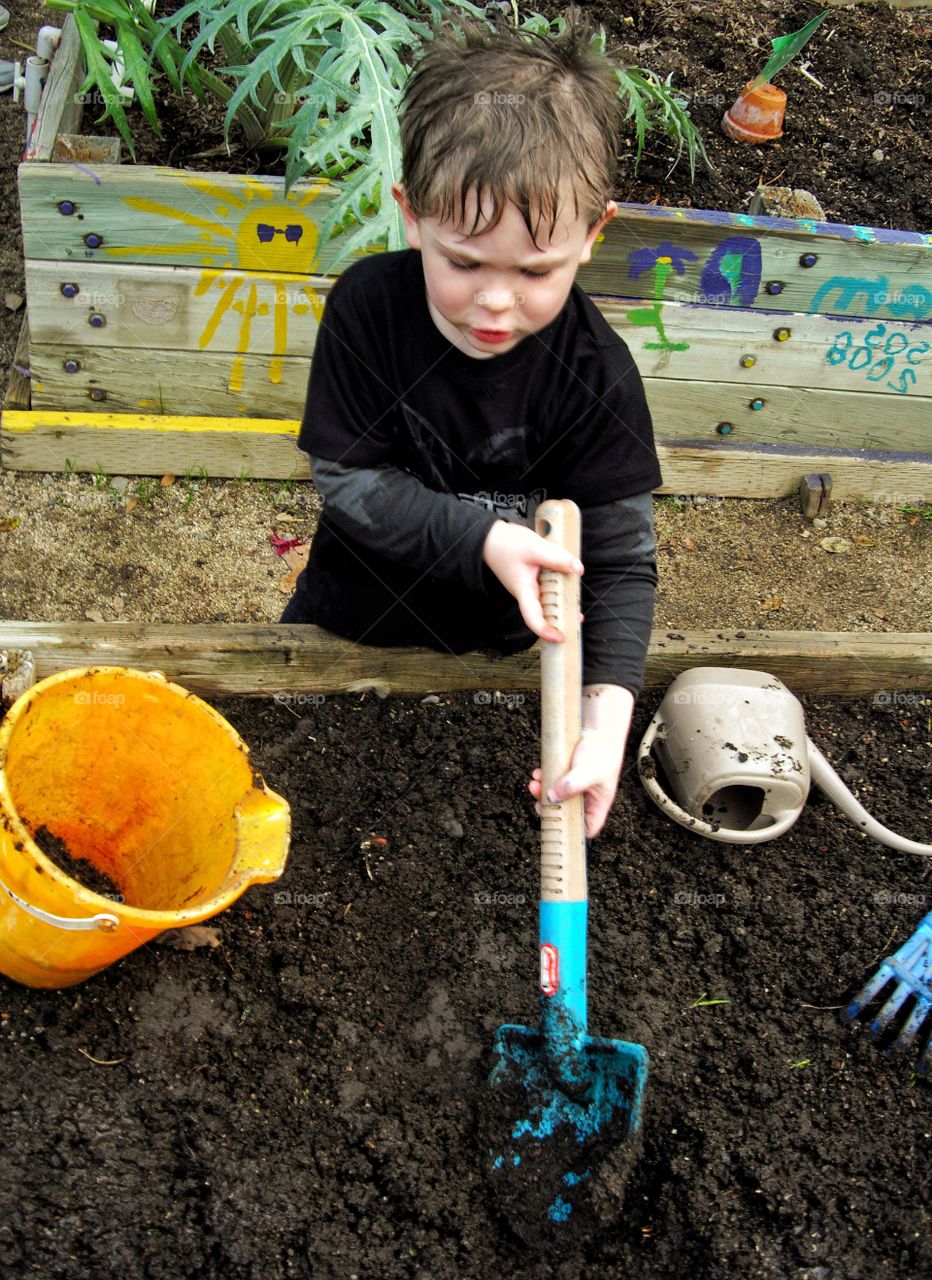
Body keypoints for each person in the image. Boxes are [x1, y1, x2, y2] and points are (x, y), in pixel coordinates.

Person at [281, 9, 661, 838]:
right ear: (412, 214)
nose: (495, 301)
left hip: (494, 662)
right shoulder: (368, 312)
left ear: (593, 235)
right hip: (346, 624)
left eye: (534, 270)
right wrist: (483, 540)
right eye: (462, 262)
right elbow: (349, 479)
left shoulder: (596, 375)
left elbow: (624, 565)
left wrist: (602, 724)